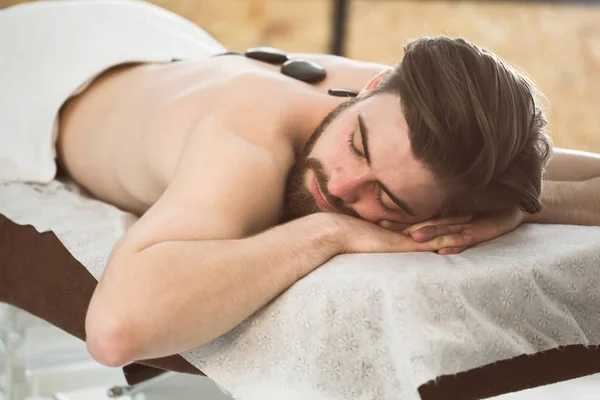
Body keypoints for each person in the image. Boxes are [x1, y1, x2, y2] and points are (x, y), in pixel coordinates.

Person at [36, 8, 598, 368]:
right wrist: (326, 232)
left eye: (389, 200)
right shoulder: (247, 138)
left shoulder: (416, 127)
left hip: (158, 50)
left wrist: (519, 209)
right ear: (371, 86)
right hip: (39, 71)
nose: (344, 185)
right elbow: (115, 331)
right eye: (357, 145)